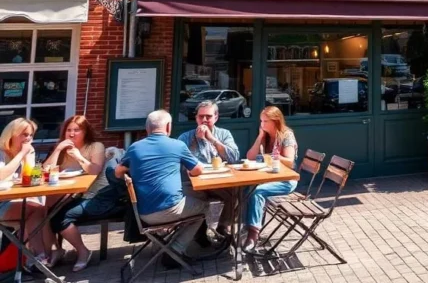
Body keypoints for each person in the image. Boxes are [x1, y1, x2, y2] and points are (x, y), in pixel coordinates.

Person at [115, 110, 206, 268]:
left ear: (147, 128)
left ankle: (166, 241)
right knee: (205, 208)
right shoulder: (177, 145)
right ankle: (175, 250)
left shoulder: (135, 148)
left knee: (190, 198)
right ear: (169, 126)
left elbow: (118, 172)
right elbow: (198, 170)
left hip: (143, 214)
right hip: (169, 210)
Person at [44, 115, 107, 271]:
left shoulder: (95, 146)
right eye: (68, 130)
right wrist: (58, 149)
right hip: (69, 193)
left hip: (93, 194)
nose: (71, 134)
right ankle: (56, 250)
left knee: (59, 217)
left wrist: (78, 157)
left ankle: (83, 251)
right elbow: (45, 171)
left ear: (85, 132)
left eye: (76, 130)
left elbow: (95, 171)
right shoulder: (61, 149)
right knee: (41, 211)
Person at [179, 100, 240, 240]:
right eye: (201, 117)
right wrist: (195, 143)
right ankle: (199, 230)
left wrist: (212, 139)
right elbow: (182, 163)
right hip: (193, 184)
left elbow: (234, 157)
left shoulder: (224, 134)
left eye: (208, 116)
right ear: (196, 118)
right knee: (197, 200)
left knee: (236, 193)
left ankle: (224, 226)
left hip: (217, 182)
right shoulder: (185, 137)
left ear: (216, 117)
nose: (204, 120)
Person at [244, 106, 299, 247]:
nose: (262, 124)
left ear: (275, 121)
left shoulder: (286, 135)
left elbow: (290, 161)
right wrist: (260, 137)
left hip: (287, 180)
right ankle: (245, 226)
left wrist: (275, 156)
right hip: (270, 177)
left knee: (258, 192)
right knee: (245, 189)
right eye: (261, 121)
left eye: (265, 121)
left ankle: (253, 234)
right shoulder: (266, 136)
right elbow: (250, 157)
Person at [0, 118, 47, 263]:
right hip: (2, 202)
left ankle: (35, 256)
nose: (28, 138)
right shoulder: (1, 152)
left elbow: (31, 177)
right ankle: (35, 257)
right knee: (36, 210)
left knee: (41, 209)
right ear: (12, 134)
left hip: (15, 198)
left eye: (30, 135)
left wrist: (27, 156)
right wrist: (21, 154)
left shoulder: (28, 151)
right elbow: (2, 174)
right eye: (24, 134)